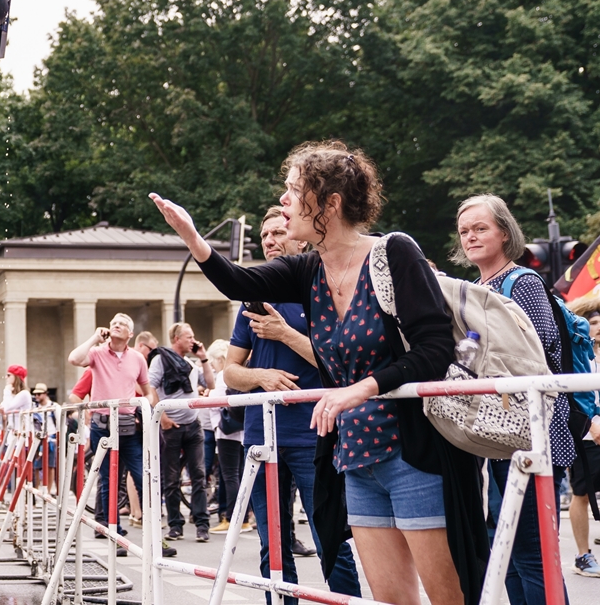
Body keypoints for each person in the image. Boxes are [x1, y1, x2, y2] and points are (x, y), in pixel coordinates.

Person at [151, 140, 487, 605]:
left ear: (330, 203)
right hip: (354, 458)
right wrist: (192, 237)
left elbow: (435, 350)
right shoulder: (307, 269)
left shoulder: (394, 253)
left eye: (294, 189)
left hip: (415, 455)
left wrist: (359, 390)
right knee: (391, 600)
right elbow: (238, 282)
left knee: (449, 599)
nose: (285, 200)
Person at [224, 206, 361, 604]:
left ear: (301, 237)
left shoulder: (324, 288)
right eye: (264, 235)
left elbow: (342, 360)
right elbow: (230, 372)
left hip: (313, 433)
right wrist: (260, 377)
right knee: (273, 545)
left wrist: (285, 335)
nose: (269, 240)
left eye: (278, 232)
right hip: (260, 436)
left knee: (329, 538)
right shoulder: (253, 295)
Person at [453, 193, 579, 602]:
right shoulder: (474, 286)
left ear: (505, 233)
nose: (471, 237)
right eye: (464, 231)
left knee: (530, 550)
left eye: (480, 228)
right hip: (497, 432)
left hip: (530, 431)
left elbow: (538, 353)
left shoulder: (521, 282)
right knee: (505, 552)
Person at [67, 314, 156, 550]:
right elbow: (74, 359)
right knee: (108, 480)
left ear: (131, 334)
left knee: (141, 477)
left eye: (123, 324)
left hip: (128, 425)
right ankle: (113, 532)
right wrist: (95, 337)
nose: (116, 325)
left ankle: (154, 533)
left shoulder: (137, 358)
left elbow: (147, 391)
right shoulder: (97, 353)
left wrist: (144, 410)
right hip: (102, 425)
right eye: (114, 322)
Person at [148, 322, 215, 542]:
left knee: (199, 474)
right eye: (189, 337)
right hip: (171, 427)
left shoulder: (191, 364)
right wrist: (163, 417)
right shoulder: (160, 359)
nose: (193, 341)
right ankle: (175, 525)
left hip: (193, 425)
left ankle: (201, 524)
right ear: (177, 338)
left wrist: (204, 358)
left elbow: (211, 383)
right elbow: (150, 387)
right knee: (171, 478)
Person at [567, 295, 600, 577]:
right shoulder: (578, 353)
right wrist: (591, 424)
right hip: (587, 435)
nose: (598, 327)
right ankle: (582, 555)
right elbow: (574, 396)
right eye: (593, 323)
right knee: (581, 493)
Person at [209, 342, 254, 534]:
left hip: (226, 432)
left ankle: (234, 519)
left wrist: (208, 394)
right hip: (242, 431)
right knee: (240, 475)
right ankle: (244, 517)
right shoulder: (243, 372)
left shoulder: (223, 376)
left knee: (229, 476)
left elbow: (217, 402)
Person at [31, 383, 60, 489]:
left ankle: (48, 490)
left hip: (51, 437)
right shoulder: (34, 407)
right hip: (38, 437)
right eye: (35, 394)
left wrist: (59, 438)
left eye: (39, 394)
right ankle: (37, 489)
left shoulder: (54, 406)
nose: (37, 396)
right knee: (37, 465)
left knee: (50, 465)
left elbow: (61, 424)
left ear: (45, 394)